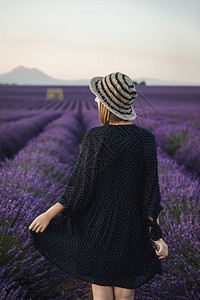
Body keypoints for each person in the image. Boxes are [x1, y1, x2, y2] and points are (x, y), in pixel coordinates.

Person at [29, 71, 168, 300]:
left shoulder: (96, 137)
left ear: (108, 103)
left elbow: (78, 188)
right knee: (125, 295)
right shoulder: (145, 139)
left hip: (98, 229)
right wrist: (157, 235)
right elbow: (151, 193)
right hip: (130, 229)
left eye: (99, 96)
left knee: (102, 293)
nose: (95, 100)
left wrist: (49, 213)